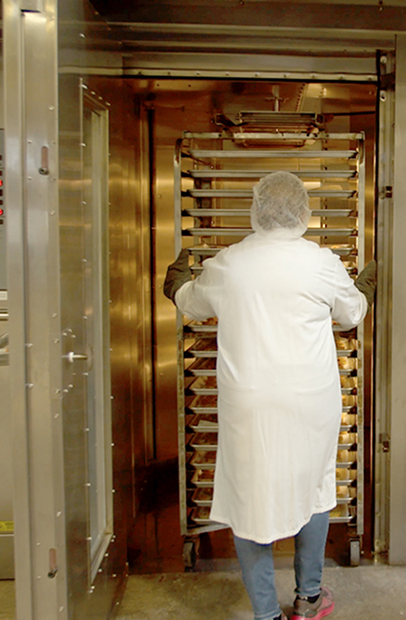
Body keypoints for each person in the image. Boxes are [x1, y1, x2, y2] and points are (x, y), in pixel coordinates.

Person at [164, 171, 376, 620]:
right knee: (315, 490)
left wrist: (177, 282)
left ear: (255, 211)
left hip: (250, 405)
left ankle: (266, 614)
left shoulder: (230, 262)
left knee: (250, 498)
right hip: (310, 402)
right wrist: (366, 289)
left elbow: (192, 303)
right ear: (304, 212)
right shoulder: (321, 263)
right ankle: (309, 598)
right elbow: (352, 314)